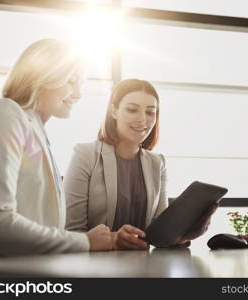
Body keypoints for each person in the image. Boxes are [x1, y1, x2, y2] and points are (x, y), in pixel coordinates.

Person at [0, 39, 114, 258]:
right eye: (71, 81)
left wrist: (102, 239)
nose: (78, 94)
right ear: (42, 76)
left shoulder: (35, 130)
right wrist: (84, 242)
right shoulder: (4, 115)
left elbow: (38, 223)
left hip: (14, 271)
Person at [64, 79, 217, 250]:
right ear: (114, 111)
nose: (143, 120)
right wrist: (113, 239)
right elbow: (71, 232)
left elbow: (159, 234)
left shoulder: (157, 163)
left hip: (143, 266)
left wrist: (181, 235)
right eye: (132, 110)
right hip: (93, 268)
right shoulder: (85, 155)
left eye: (151, 112)